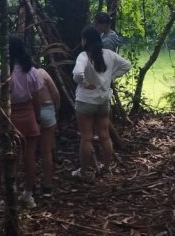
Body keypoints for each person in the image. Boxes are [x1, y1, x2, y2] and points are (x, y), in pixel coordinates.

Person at [72, 26, 131, 179]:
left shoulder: (84, 56)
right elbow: (127, 65)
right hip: (103, 101)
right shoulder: (109, 55)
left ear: (85, 40)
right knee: (105, 136)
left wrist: (85, 84)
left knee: (86, 138)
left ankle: (83, 172)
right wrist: (111, 77)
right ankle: (106, 168)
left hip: (85, 101)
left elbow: (77, 74)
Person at [0, 36, 42, 209]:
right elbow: (37, 98)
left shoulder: (1, 75)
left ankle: (8, 197)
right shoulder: (32, 72)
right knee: (29, 157)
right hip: (28, 114)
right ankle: (28, 194)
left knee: (9, 157)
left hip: (9, 118)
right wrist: (37, 117)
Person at [37, 67, 60, 196]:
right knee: (46, 152)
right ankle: (47, 186)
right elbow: (55, 93)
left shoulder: (17, 75)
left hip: (29, 112)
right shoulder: (42, 73)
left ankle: (29, 186)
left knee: (28, 151)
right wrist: (56, 108)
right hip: (47, 109)